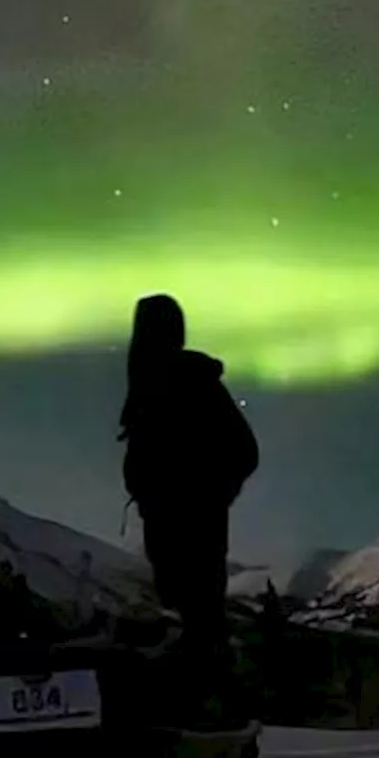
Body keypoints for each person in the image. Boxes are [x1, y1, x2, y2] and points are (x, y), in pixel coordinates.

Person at [117, 294, 259, 726]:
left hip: (193, 524)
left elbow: (242, 451)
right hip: (169, 522)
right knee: (184, 618)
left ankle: (212, 716)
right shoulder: (149, 388)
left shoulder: (191, 383)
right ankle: (191, 713)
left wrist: (208, 495)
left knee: (198, 619)